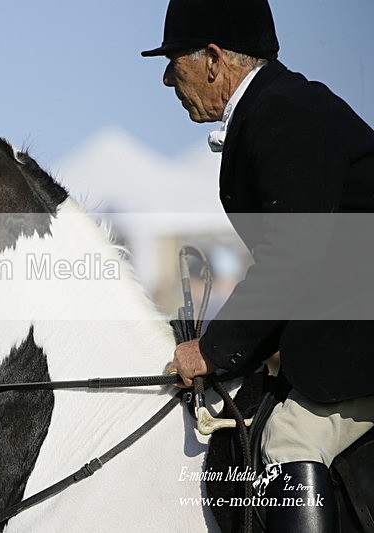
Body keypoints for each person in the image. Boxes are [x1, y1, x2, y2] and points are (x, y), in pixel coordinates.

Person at [142, 0, 374, 531]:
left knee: (291, 439)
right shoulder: (278, 107)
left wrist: (212, 350)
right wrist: (231, 355)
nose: (167, 80)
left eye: (174, 62)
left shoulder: (283, 114)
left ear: (213, 60)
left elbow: (292, 259)